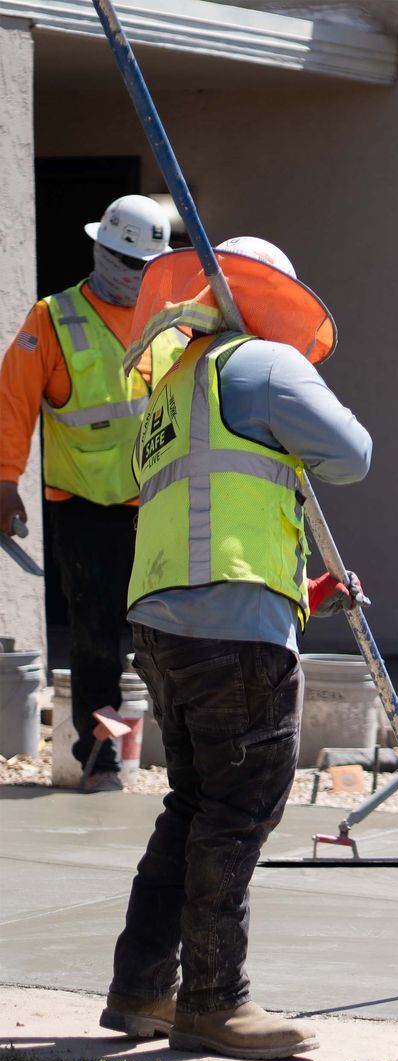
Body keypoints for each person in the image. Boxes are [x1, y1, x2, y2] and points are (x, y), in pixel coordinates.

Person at [99, 236, 369, 1060]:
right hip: (232, 635)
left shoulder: (174, 387)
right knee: (238, 810)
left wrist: (304, 594)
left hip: (166, 628)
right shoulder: (265, 367)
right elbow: (354, 456)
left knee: (193, 804)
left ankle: (143, 985)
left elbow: (212, 516)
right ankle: (215, 1001)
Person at [0, 195, 185, 790]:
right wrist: (5, 481)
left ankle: (180, 751)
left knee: (170, 635)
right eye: (122, 259)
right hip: (83, 509)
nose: (132, 274)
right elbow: (13, 404)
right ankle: (100, 757)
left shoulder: (172, 321)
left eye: (143, 265)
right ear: (99, 251)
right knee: (95, 642)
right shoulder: (52, 319)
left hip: (160, 505)